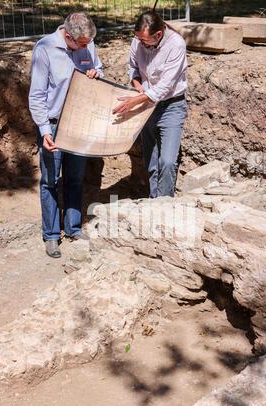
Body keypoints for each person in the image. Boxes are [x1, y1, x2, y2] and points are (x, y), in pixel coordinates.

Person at [29, 12, 103, 258]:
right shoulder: (45, 49)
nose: (87, 48)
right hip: (53, 125)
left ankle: (72, 228)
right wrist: (44, 130)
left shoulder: (87, 42)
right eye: (82, 44)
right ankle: (51, 235)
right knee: (50, 181)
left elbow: (98, 69)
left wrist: (95, 73)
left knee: (75, 178)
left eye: (88, 44)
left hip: (79, 123)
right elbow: (37, 95)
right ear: (68, 36)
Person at [113, 10, 187, 199]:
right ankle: (153, 201)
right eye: (139, 39)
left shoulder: (176, 45)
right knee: (151, 161)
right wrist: (136, 83)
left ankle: (165, 203)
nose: (141, 43)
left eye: (145, 41)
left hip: (170, 106)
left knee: (168, 161)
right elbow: (133, 68)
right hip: (146, 106)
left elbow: (164, 87)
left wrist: (135, 100)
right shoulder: (138, 40)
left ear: (159, 34)